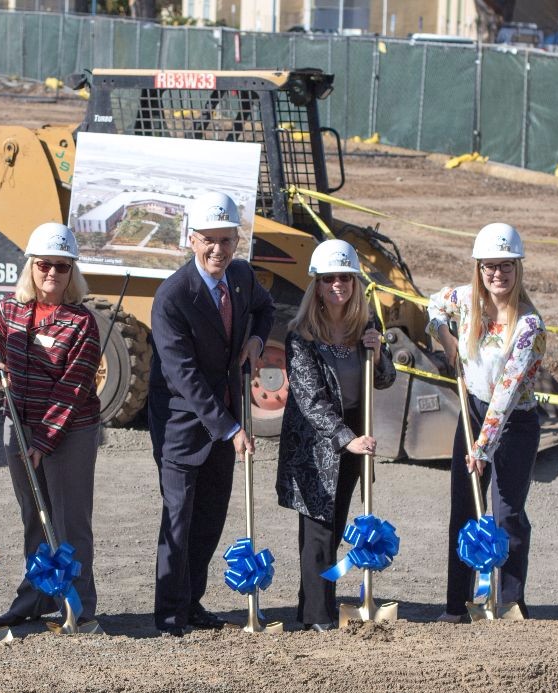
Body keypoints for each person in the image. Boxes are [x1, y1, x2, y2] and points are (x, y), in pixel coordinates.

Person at [148, 191, 275, 637]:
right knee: (179, 521)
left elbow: (265, 309)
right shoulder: (172, 297)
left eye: (226, 240)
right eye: (209, 240)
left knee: (209, 520)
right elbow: (182, 376)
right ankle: (169, 616)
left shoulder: (241, 277)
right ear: (192, 239)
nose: (218, 250)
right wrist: (231, 428)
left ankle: (193, 600)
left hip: (225, 421)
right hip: (182, 425)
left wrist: (257, 341)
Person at [0, 222, 101, 627]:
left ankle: (77, 603)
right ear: (31, 266)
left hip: (69, 432)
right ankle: (37, 596)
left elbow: (73, 388)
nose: (52, 273)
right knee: (33, 515)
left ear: (72, 273)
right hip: (18, 426)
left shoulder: (82, 324)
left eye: (62, 267)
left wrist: (44, 442)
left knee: (69, 519)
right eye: (45, 264)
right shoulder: (10, 310)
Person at [427, 223, 545, 622]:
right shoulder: (463, 300)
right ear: (478, 268)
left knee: (506, 511)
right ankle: (456, 605)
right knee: (463, 507)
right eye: (490, 266)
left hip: (514, 422)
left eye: (506, 266)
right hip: (472, 408)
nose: (498, 274)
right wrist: (446, 340)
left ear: (518, 268)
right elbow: (432, 306)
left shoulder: (529, 326)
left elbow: (508, 392)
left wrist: (483, 447)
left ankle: (509, 601)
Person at [275, 240, 394, 632]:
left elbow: (385, 380)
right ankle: (316, 617)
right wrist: (348, 439)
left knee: (336, 530)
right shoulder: (301, 336)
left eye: (345, 277)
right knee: (319, 534)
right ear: (317, 285)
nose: (338, 285)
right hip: (316, 448)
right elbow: (309, 400)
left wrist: (378, 355)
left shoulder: (366, 328)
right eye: (329, 279)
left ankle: (312, 606)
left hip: (351, 442)